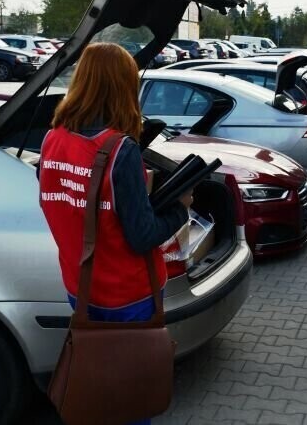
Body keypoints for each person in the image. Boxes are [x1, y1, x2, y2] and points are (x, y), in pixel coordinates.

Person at [38, 42, 191, 424]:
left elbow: (63, 203)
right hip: (128, 294)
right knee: (131, 397)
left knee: (98, 383)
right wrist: (179, 210)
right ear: (122, 87)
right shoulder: (120, 150)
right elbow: (142, 235)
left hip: (81, 285)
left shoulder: (52, 139)